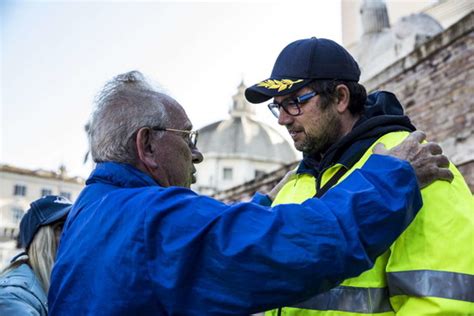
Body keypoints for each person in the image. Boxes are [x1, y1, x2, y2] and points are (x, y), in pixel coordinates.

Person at [48, 71, 450, 315]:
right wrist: (391, 181)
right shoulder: (153, 218)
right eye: (187, 138)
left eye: (296, 101)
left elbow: (207, 248)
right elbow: (286, 249)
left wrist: (259, 207)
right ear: (146, 146)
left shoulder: (90, 212)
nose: (197, 153)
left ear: (342, 98)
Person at [245, 37, 474, 315]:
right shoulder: (293, 183)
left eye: (294, 102)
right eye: (277, 106)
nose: (282, 119)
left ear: (340, 97)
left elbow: (443, 301)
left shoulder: (414, 162)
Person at [0, 195, 72, 316]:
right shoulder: (15, 295)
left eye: (73, 224)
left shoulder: (63, 283)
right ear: (40, 241)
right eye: (60, 226)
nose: (72, 232)